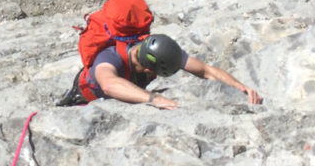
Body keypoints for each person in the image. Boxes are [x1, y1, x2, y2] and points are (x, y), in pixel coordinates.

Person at [88, 33, 263, 110]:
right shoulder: (109, 59)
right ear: (149, 69)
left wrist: (241, 88)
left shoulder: (160, 51)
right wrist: (154, 99)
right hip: (87, 102)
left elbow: (206, 70)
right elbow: (108, 85)